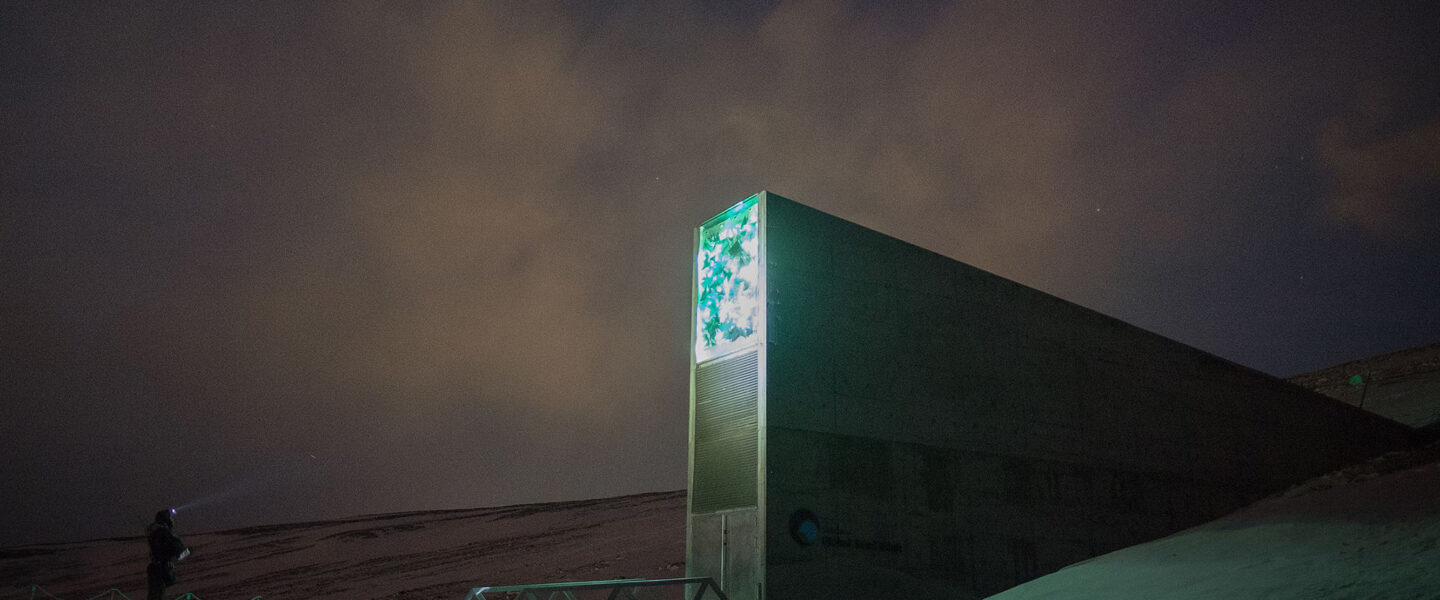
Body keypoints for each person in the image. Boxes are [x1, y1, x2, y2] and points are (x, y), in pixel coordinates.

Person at [146, 509, 190, 600]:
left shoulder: (153, 534)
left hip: (154, 570)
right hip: (163, 569)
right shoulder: (165, 534)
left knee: (154, 595)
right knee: (157, 595)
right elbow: (179, 553)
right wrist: (188, 551)